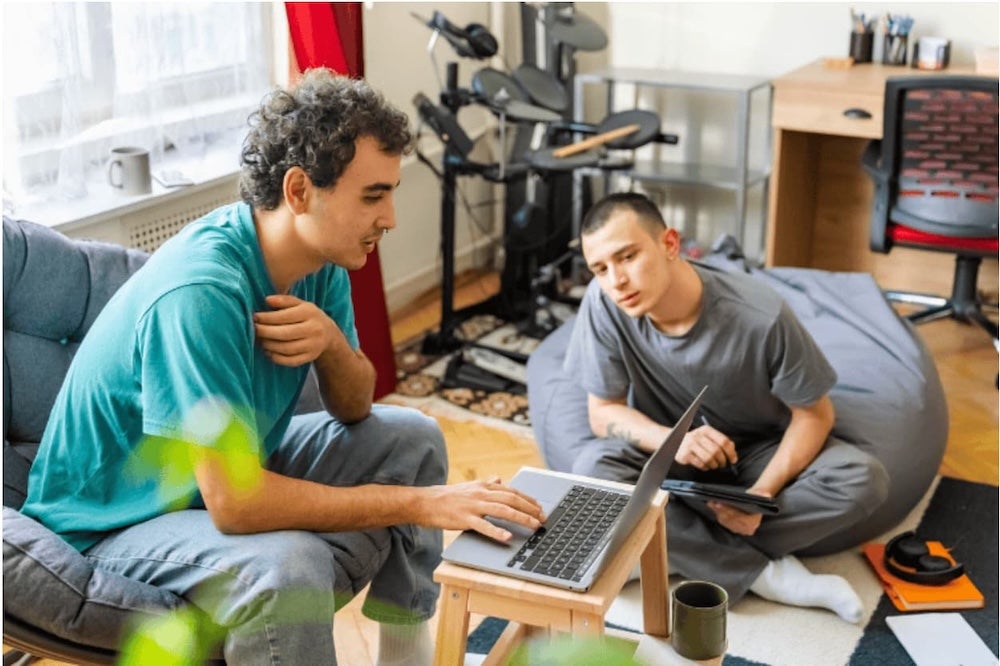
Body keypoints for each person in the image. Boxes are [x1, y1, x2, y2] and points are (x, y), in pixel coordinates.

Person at [20, 68, 544, 665]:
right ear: (299, 191)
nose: (391, 217)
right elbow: (236, 505)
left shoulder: (320, 258)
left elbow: (354, 408)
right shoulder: (201, 292)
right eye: (373, 194)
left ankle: (405, 657)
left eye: (391, 191)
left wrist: (331, 344)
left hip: (219, 474)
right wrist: (422, 504)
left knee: (414, 438)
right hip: (114, 519)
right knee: (290, 566)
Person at [563, 192, 890, 623]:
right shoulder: (604, 302)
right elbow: (601, 412)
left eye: (626, 257)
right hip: (670, 459)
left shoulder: (760, 314)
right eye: (600, 268)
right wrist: (673, 442)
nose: (615, 280)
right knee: (591, 468)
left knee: (863, 478)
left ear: (670, 244)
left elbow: (815, 415)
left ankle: (668, 545)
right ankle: (761, 574)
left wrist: (762, 494)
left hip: (757, 455)